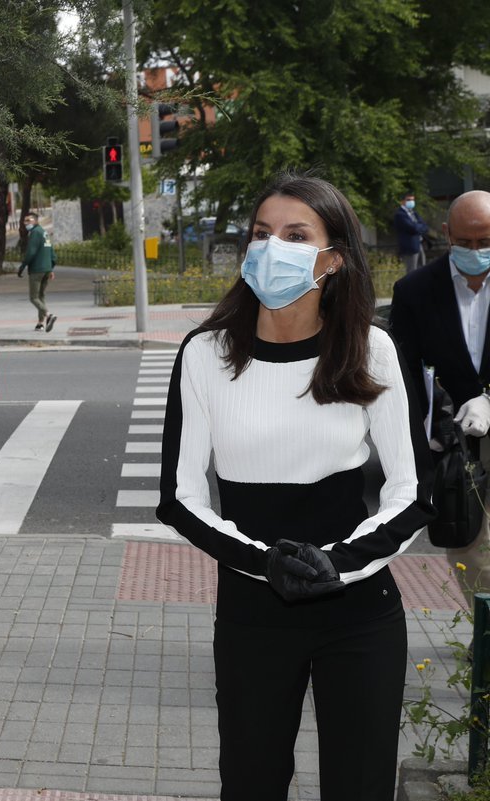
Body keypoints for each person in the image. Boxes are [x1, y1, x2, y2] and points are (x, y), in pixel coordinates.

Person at [156, 172, 434, 801]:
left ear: (332, 259)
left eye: (295, 234)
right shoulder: (205, 353)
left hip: (359, 611)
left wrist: (337, 564)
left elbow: (412, 494)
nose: (271, 246)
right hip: (254, 614)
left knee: (360, 787)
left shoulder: (371, 349)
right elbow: (179, 497)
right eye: (262, 233)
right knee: (251, 784)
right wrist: (264, 562)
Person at [390, 189, 490, 605]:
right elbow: (403, 369)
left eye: (485, 242)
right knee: (468, 543)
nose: (475, 251)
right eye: (464, 242)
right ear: (447, 234)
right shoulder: (415, 290)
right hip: (456, 443)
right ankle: (485, 637)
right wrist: (421, 435)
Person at [16, 212, 56, 331]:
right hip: (46, 270)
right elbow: (52, 253)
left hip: (37, 270)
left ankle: (49, 315)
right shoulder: (44, 233)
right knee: (41, 296)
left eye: (28, 221)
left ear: (36, 221)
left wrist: (22, 267)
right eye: (25, 221)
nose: (26, 223)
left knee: (33, 297)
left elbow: (31, 252)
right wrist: (51, 268)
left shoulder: (34, 233)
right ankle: (40, 323)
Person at [393, 191, 430, 273]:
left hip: (419, 244)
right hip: (410, 247)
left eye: (413, 200)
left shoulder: (414, 213)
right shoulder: (400, 215)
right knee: (412, 271)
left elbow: (425, 227)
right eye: (408, 200)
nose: (411, 202)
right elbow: (413, 228)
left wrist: (418, 226)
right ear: (402, 201)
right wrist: (419, 226)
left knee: (422, 269)